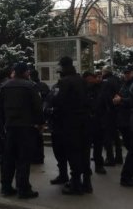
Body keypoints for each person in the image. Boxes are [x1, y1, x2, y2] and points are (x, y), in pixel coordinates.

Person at [0, 62, 44, 199]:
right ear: (25, 72)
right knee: (23, 158)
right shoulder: (30, 86)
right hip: (26, 127)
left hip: (10, 127)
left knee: (8, 158)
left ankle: (6, 186)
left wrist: (2, 125)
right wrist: (40, 123)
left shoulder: (4, 86)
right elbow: (37, 107)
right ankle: (23, 188)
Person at [55, 56, 92, 195]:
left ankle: (75, 184)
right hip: (85, 121)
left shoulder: (65, 82)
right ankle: (87, 183)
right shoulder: (81, 80)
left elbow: (60, 102)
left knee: (73, 153)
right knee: (85, 152)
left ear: (63, 67)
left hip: (71, 123)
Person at [83, 71, 106, 175]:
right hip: (88, 121)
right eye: (90, 78)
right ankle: (88, 167)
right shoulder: (83, 89)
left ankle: (98, 165)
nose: (93, 80)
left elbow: (104, 103)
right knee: (87, 146)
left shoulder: (100, 88)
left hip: (98, 120)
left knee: (98, 145)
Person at [101, 66, 123, 166]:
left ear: (105, 72)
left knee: (107, 136)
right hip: (117, 111)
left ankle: (110, 158)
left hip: (108, 112)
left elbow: (105, 98)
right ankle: (119, 157)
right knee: (115, 135)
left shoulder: (105, 82)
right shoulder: (117, 80)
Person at [30, 69, 49, 165]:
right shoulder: (43, 86)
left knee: (33, 137)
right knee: (38, 137)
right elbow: (47, 100)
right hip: (40, 115)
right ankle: (39, 157)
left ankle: (35, 157)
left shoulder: (31, 86)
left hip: (32, 116)